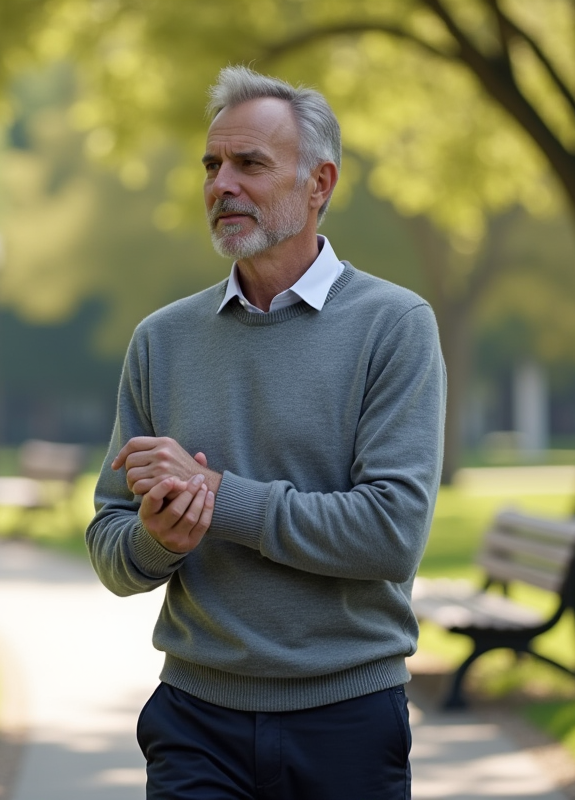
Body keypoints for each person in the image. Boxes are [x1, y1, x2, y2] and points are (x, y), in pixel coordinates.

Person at [85, 65, 446, 799]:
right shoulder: (161, 340)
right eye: (212, 166)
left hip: (346, 718)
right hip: (194, 723)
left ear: (320, 185)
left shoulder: (394, 325)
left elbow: (391, 533)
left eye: (250, 164)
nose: (222, 184)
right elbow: (110, 545)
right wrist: (160, 540)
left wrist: (219, 499)